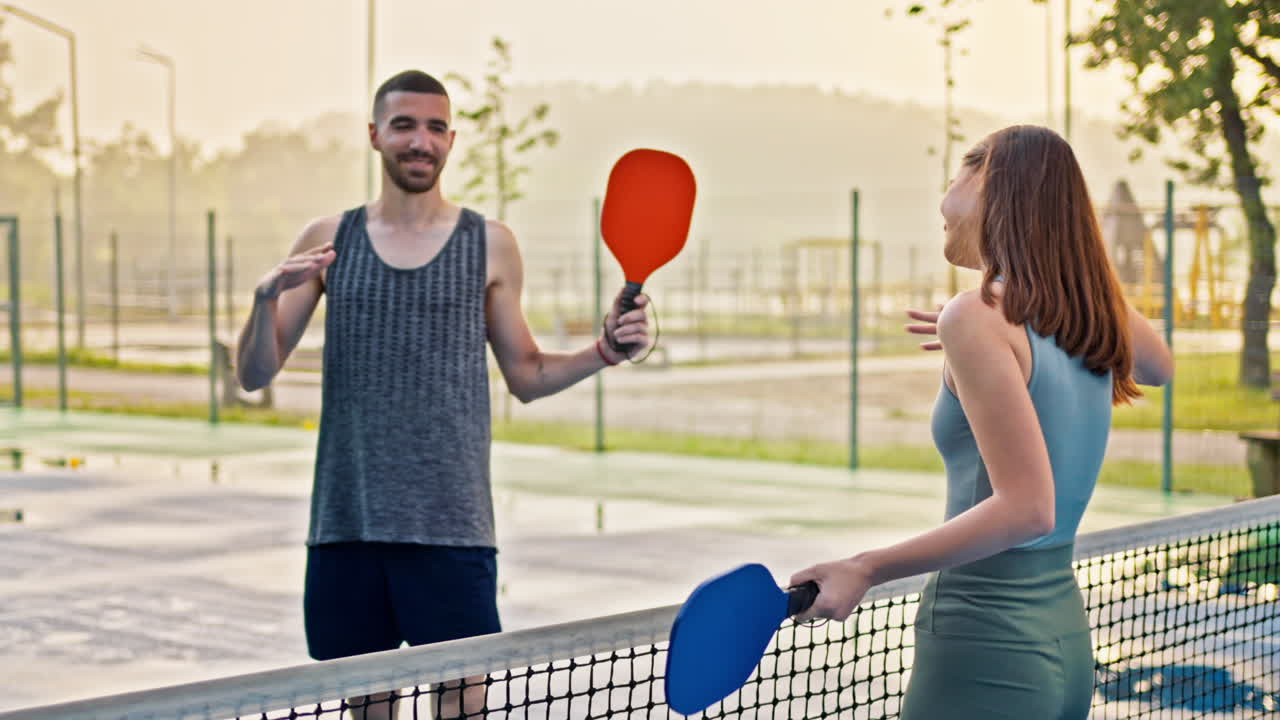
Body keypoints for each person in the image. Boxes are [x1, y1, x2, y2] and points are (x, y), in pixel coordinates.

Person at [235, 70, 651, 719]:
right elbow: (254, 374)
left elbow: (529, 376)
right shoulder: (328, 242)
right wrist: (264, 302)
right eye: (404, 124)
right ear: (375, 135)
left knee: (463, 702)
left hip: (453, 531)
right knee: (367, 704)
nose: (419, 140)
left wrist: (604, 352)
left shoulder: (490, 244)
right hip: (349, 528)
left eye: (434, 127)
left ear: (452, 140)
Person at [789, 125, 1173, 720]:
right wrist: (1051, 283)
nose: (941, 207)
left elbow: (1027, 509)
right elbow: (1159, 365)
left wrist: (866, 567)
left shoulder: (978, 317)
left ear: (987, 183)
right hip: (1064, 641)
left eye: (950, 182)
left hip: (984, 639)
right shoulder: (1077, 313)